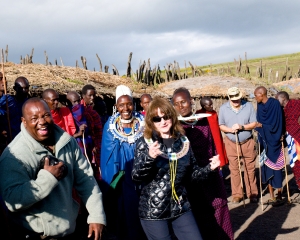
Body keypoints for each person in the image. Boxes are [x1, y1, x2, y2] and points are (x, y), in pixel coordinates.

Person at [0, 98, 106, 239]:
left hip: (69, 229)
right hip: (36, 234)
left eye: (45, 115)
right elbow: (12, 200)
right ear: (24, 122)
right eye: (34, 118)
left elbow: (86, 179)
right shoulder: (14, 155)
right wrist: (47, 179)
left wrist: (96, 215)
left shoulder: (67, 142)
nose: (42, 121)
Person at [132, 96, 221, 240]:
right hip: (154, 209)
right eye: (157, 119)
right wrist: (149, 158)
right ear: (151, 122)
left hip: (180, 206)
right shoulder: (146, 142)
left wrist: (210, 168)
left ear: (172, 116)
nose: (163, 121)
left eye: (166, 116)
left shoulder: (183, 141)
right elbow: (136, 176)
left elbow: (192, 175)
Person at [172, 88, 233, 240]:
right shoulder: (173, 127)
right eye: (177, 104)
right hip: (190, 181)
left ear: (191, 100)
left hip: (211, 176)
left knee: (219, 214)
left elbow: (216, 139)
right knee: (198, 220)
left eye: (184, 102)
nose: (181, 106)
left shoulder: (205, 119)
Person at [100, 85, 146, 240]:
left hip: (142, 172)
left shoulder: (142, 122)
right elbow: (108, 154)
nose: (126, 108)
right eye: (121, 105)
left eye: (129, 104)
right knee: (125, 207)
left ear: (133, 104)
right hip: (121, 174)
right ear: (116, 107)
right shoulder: (110, 125)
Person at [219, 87, 258, 203]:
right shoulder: (223, 108)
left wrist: (242, 127)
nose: (236, 101)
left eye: (237, 98)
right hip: (231, 143)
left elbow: (254, 123)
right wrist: (230, 130)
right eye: (233, 99)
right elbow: (221, 125)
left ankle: (253, 193)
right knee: (234, 169)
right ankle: (237, 194)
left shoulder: (249, 106)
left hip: (247, 143)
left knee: (250, 169)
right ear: (229, 97)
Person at [255, 86, 285, 204]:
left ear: (262, 94)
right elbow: (259, 121)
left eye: (256, 95)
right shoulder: (259, 105)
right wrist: (259, 127)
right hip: (264, 141)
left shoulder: (275, 104)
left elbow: (279, 121)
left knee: (277, 168)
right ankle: (271, 195)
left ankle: (279, 195)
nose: (255, 97)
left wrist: (280, 134)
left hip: (275, 140)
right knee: (266, 168)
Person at [66, 91, 102, 181]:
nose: (77, 104)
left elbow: (94, 132)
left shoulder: (86, 114)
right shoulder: (65, 117)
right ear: (67, 103)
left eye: (78, 101)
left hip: (89, 149)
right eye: (74, 102)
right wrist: (77, 134)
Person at [276, 91, 300, 191]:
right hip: (290, 139)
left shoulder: (296, 104)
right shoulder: (281, 110)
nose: (276, 102)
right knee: (295, 162)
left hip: (299, 136)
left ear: (283, 99)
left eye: (278, 99)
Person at [199, 96, 229, 167]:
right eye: (210, 105)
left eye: (212, 104)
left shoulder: (214, 113)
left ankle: (220, 172)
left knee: (218, 154)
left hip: (216, 139)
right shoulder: (199, 115)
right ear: (204, 106)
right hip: (206, 140)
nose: (212, 106)